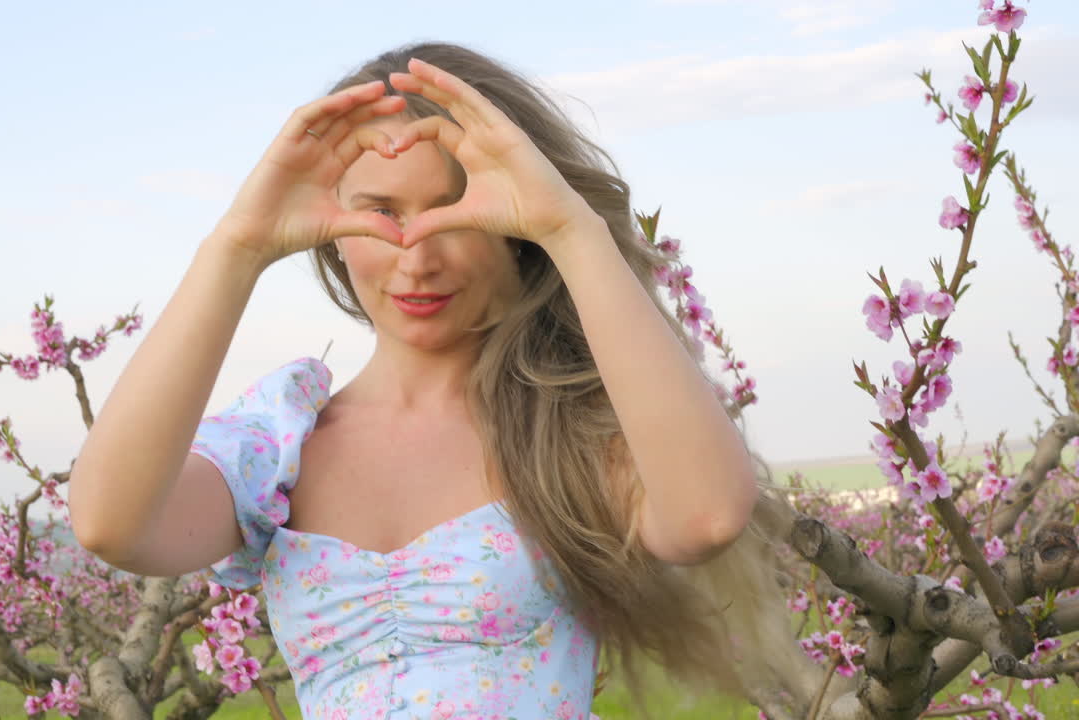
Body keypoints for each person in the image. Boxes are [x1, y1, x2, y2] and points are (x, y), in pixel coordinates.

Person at [70, 41, 802, 719]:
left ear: (517, 224)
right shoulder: (284, 441)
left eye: (454, 211)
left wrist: (572, 230)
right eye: (381, 212)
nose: (416, 259)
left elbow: (706, 516)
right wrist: (236, 245)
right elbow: (113, 524)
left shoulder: (572, 431)